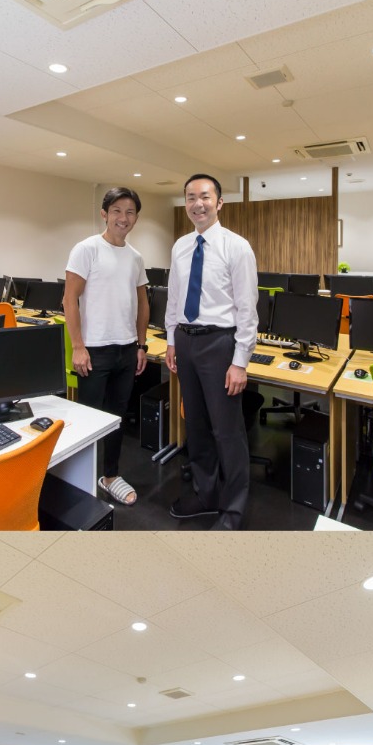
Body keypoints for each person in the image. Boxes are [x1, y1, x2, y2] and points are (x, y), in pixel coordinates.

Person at [165, 173, 258, 529]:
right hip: (186, 341)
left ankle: (233, 510)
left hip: (220, 344)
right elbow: (175, 298)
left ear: (219, 202)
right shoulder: (180, 246)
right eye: (190, 197)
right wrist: (172, 340)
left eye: (204, 196)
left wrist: (240, 361)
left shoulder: (237, 247)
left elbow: (247, 309)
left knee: (227, 431)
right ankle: (206, 495)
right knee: (198, 426)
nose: (197, 204)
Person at [64, 187, 150, 506]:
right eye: (116, 211)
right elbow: (69, 299)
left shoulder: (135, 257)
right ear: (104, 214)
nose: (123, 218)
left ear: (136, 217)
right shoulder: (86, 249)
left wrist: (141, 345)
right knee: (88, 417)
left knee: (116, 417)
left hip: (126, 350)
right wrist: (78, 346)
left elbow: (142, 303)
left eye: (130, 212)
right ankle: (78, 480)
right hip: (94, 351)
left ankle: (110, 476)